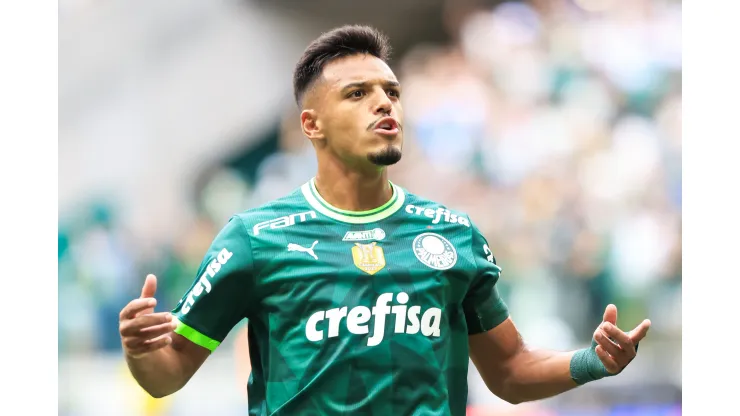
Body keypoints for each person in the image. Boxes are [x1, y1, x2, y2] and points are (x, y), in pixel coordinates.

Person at [118, 25, 651, 415]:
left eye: (391, 91)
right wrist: (141, 351)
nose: (384, 104)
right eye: (358, 93)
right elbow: (168, 374)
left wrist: (593, 362)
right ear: (312, 124)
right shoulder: (255, 239)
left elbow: (509, 371)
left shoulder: (450, 234)